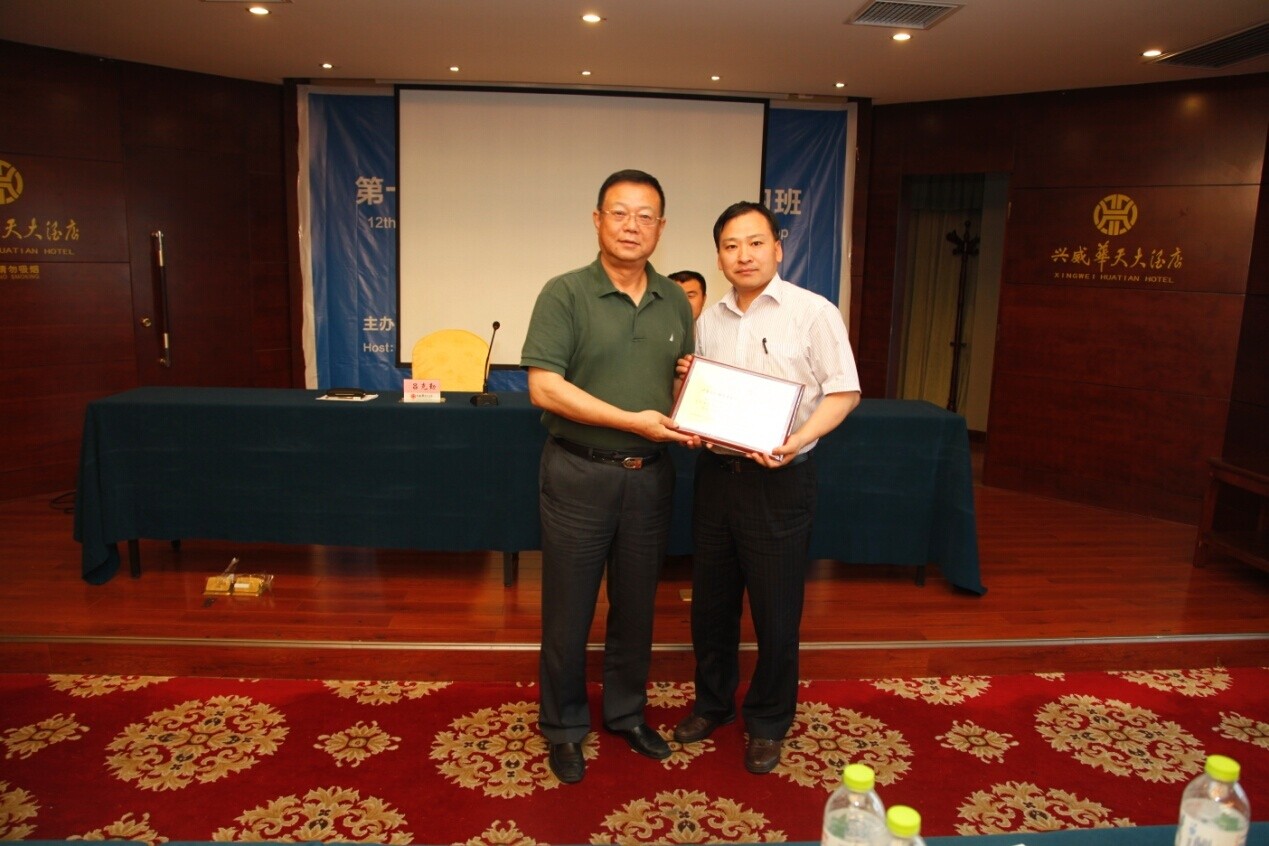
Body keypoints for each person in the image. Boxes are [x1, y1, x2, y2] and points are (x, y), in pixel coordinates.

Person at [520, 169, 696, 784]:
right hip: (579, 473)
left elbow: (677, 386)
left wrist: (689, 392)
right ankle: (564, 726)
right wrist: (631, 420)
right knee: (568, 612)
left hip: (650, 478)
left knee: (637, 609)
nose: (631, 226)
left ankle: (625, 713)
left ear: (661, 228)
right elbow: (544, 387)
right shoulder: (564, 293)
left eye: (645, 216)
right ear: (597, 220)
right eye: (619, 213)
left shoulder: (675, 300)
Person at [673, 200, 861, 774]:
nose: (744, 255)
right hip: (716, 478)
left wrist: (797, 439)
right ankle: (712, 704)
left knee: (777, 614)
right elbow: (704, 396)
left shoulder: (813, 312)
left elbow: (844, 391)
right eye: (731, 246)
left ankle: (769, 719)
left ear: (777, 247)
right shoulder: (707, 320)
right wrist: (687, 396)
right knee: (711, 606)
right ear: (718, 257)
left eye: (755, 242)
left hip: (780, 481)